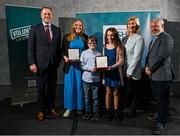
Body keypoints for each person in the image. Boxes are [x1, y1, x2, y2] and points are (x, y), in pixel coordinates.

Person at [28, 6, 61, 121]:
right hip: (40, 65)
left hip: (53, 65)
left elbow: (58, 48)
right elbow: (30, 47)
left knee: (52, 88)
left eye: (49, 14)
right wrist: (32, 63)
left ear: (52, 15)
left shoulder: (57, 30)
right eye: (45, 14)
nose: (47, 16)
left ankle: (51, 107)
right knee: (41, 88)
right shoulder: (35, 28)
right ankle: (41, 110)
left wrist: (59, 61)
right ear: (41, 15)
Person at [145, 18, 174, 135]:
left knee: (162, 100)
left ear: (162, 26)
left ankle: (162, 123)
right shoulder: (154, 39)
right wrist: (147, 66)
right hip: (154, 75)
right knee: (158, 98)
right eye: (152, 26)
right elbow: (150, 56)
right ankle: (160, 114)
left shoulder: (167, 38)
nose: (153, 28)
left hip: (162, 75)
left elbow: (162, 57)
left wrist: (150, 69)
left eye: (156, 26)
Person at [62, 19, 88, 118]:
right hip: (70, 67)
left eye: (80, 25)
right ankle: (69, 108)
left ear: (82, 27)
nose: (78, 27)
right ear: (73, 26)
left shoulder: (85, 37)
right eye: (76, 25)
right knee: (69, 87)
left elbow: (88, 51)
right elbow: (62, 51)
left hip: (80, 67)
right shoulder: (67, 37)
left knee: (79, 87)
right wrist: (65, 57)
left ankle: (79, 107)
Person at [122, 16, 145, 118]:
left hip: (133, 71)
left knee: (134, 92)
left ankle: (132, 110)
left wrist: (129, 72)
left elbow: (137, 57)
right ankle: (127, 109)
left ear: (137, 26)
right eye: (129, 23)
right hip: (124, 69)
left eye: (133, 24)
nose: (131, 25)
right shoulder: (124, 38)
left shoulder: (139, 38)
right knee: (127, 91)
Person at [103, 27, 124, 121]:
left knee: (116, 92)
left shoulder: (118, 46)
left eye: (111, 35)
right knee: (108, 92)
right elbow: (101, 60)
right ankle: (108, 112)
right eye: (108, 35)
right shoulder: (104, 47)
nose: (110, 37)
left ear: (115, 35)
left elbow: (121, 61)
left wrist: (112, 67)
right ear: (106, 36)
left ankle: (116, 112)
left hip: (115, 72)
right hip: (106, 73)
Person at [80, 35, 101, 121]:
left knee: (95, 98)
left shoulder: (99, 53)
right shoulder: (84, 53)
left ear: (96, 43)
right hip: (86, 79)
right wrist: (90, 69)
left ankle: (96, 113)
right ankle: (88, 112)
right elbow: (81, 65)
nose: (92, 44)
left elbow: (101, 65)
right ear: (87, 44)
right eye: (90, 43)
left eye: (93, 43)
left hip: (96, 79)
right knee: (87, 97)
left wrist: (99, 68)